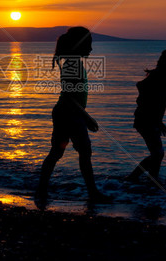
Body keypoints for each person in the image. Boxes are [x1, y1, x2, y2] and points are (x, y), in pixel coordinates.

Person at [35, 26, 112, 205]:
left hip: (68, 113)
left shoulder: (74, 62)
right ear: (79, 45)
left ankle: (42, 190)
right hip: (69, 114)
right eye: (89, 45)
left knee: (58, 152)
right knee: (82, 153)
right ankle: (92, 193)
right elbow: (70, 96)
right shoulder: (73, 64)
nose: (91, 49)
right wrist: (86, 117)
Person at [125, 49, 166, 182]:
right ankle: (132, 177)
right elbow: (146, 98)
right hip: (146, 120)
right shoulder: (157, 80)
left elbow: (148, 84)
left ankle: (153, 178)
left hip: (149, 120)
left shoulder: (160, 79)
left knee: (157, 153)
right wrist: (158, 122)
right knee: (158, 154)